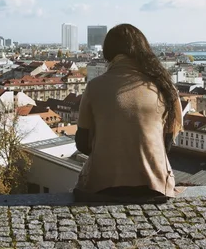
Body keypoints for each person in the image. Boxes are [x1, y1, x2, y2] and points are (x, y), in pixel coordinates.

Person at [74, 23, 183, 202]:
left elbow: (82, 144)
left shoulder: (95, 86)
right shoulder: (166, 87)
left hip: (103, 188)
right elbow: (167, 144)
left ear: (108, 52)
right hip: (155, 188)